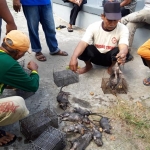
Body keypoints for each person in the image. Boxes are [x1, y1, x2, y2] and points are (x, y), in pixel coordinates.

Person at [69, 1, 132, 74]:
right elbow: (83, 42)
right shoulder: (93, 26)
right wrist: (74, 57)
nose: (112, 24)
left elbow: (123, 45)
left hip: (111, 58)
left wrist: (122, 53)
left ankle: (112, 66)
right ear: (103, 16)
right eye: (109, 20)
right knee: (83, 48)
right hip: (96, 57)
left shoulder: (123, 28)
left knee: (125, 52)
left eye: (115, 20)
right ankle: (88, 66)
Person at [0, 30, 39, 146]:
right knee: (18, 104)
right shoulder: (9, 63)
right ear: (18, 53)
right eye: (23, 53)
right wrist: (34, 71)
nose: (23, 55)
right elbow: (32, 86)